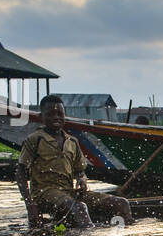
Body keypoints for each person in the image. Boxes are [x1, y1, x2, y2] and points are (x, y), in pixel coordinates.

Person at [16, 95, 133, 228]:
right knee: (79, 208)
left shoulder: (72, 142)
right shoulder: (35, 140)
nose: (56, 117)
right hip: (44, 193)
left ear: (65, 115)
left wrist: (82, 180)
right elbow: (20, 173)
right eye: (50, 114)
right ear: (41, 117)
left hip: (69, 192)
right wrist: (30, 205)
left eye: (60, 114)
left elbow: (80, 171)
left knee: (121, 203)